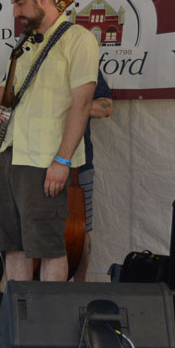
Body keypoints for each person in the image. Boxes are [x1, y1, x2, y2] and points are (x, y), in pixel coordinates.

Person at [0, 0, 98, 339]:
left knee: (48, 245)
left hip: (45, 157)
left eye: (20, 3)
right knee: (12, 244)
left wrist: (62, 160)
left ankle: (48, 326)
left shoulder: (78, 39)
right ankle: (16, 324)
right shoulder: (26, 43)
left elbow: (82, 104)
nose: (16, 11)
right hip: (11, 151)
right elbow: (9, 89)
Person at [72, 76, 114, 282]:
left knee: (80, 232)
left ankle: (79, 289)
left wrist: (68, 107)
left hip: (79, 165)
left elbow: (106, 107)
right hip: (33, 164)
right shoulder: (28, 61)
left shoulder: (86, 64)